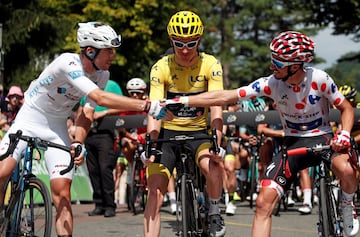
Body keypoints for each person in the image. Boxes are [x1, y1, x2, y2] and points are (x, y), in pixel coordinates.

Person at [166, 31, 359, 237]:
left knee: (346, 169)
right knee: (262, 203)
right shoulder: (271, 83)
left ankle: (347, 203)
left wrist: (345, 134)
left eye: (276, 64)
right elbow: (226, 96)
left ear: (294, 66)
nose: (271, 67)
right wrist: (183, 100)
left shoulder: (319, 79)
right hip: (293, 142)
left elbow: (346, 109)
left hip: (323, 137)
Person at [0, 21, 166, 237]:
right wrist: (146, 105)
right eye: (109, 51)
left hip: (57, 126)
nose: (113, 56)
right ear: (90, 51)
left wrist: (78, 141)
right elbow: (100, 97)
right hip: (29, 119)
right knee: (2, 172)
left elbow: (87, 112)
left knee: (62, 193)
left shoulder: (102, 75)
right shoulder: (67, 62)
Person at [143, 11, 226, 237]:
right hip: (167, 134)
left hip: (199, 131)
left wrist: (217, 140)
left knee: (214, 165)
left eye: (191, 43)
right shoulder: (161, 67)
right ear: (171, 41)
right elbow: (155, 110)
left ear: (199, 40)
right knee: (154, 192)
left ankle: (214, 210)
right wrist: (151, 144)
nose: (185, 49)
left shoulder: (210, 63)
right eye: (179, 43)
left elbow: (217, 105)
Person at [78, 79, 123, 218]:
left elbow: (121, 106)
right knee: (93, 170)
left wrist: (103, 113)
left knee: (105, 168)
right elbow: (81, 109)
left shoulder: (111, 85)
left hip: (105, 132)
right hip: (89, 132)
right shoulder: (84, 85)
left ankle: (110, 205)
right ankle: (99, 204)